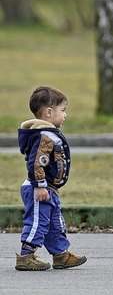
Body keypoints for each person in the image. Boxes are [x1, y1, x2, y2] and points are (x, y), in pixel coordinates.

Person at [15, 85, 87, 271]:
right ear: (48, 112)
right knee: (38, 221)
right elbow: (37, 163)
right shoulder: (44, 135)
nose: (65, 115)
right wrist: (39, 186)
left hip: (49, 188)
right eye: (63, 110)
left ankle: (60, 255)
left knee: (55, 223)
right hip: (39, 188)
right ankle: (25, 256)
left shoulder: (49, 133)